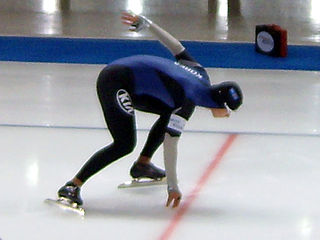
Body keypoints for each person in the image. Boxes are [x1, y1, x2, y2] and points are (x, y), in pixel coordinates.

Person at [57, 11, 243, 209]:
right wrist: (173, 186)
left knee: (167, 112)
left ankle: (142, 165)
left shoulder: (200, 74)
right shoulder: (187, 100)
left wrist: (147, 24)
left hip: (132, 78)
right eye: (228, 110)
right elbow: (171, 145)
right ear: (220, 105)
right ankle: (72, 186)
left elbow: (177, 47)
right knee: (124, 144)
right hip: (115, 81)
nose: (227, 115)